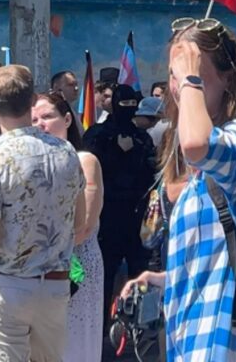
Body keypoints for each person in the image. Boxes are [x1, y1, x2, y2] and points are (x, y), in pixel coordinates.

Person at [120, 16, 236, 361]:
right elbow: (216, 260)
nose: (179, 86)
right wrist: (164, 279)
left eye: (193, 72)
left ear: (228, 77)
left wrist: (190, 80)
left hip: (229, 345)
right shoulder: (199, 176)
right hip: (190, 341)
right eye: (174, 74)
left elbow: (195, 144)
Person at [0, 64, 85, 362]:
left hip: (8, 284)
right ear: (32, 100)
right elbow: (80, 221)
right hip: (55, 283)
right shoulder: (66, 152)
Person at [32, 91, 105, 362]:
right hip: (37, 269)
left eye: (47, 116)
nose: (40, 124)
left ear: (66, 119)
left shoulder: (84, 160)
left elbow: (83, 227)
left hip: (77, 265)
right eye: (34, 119)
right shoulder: (29, 164)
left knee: (75, 345)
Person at [82, 83, 156, 321]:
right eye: (124, 104)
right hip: (107, 217)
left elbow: (151, 171)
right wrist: (115, 150)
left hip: (135, 216)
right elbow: (89, 167)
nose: (128, 108)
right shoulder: (98, 134)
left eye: (132, 104)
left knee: (140, 276)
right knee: (102, 276)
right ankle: (100, 324)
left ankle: (139, 323)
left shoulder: (141, 137)